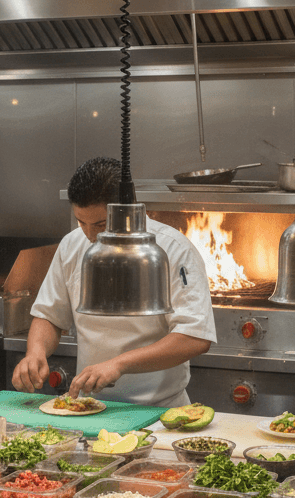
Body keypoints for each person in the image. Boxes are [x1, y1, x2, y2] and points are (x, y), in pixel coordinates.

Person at [12, 157, 217, 407]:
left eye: (100, 224)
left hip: (158, 409)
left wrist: (118, 364)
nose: (89, 235)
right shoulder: (72, 244)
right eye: (81, 222)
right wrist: (36, 353)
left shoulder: (172, 250)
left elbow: (195, 337)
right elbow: (49, 316)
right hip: (89, 407)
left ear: (127, 210)